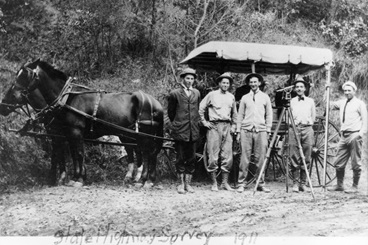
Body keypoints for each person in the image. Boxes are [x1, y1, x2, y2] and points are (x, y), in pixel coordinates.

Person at [199, 73, 238, 191]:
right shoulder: (212, 95)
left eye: (227, 83)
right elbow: (201, 108)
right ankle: (214, 183)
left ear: (229, 85)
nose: (225, 85)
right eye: (223, 82)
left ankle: (224, 183)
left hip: (227, 126)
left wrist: (234, 126)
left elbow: (234, 114)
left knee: (227, 155)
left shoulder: (231, 96)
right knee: (213, 155)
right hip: (214, 127)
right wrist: (205, 122)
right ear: (219, 83)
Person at [327, 81, 367, 193]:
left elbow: (365, 121)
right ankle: (339, 185)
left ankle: (355, 186)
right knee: (338, 161)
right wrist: (327, 90)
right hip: (343, 136)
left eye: (349, 90)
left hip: (355, 135)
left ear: (354, 91)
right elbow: (328, 104)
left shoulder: (360, 104)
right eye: (345, 90)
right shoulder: (342, 102)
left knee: (356, 162)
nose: (347, 92)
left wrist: (360, 134)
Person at [236, 73, 273, 193]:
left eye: (255, 82)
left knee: (260, 158)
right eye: (251, 82)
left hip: (261, 131)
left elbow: (269, 114)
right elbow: (240, 115)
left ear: (259, 83)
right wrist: (238, 130)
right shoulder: (245, 98)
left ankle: (260, 183)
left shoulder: (265, 97)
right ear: (249, 84)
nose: (253, 84)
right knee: (244, 158)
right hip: (246, 130)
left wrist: (268, 129)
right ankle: (241, 183)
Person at [168, 68, 201, 194]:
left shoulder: (196, 93)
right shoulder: (175, 93)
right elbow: (171, 113)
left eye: (192, 79)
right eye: (187, 78)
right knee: (180, 157)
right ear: (183, 79)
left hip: (193, 130)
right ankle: (180, 183)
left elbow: (197, 109)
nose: (189, 81)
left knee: (191, 157)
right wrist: (176, 124)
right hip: (180, 130)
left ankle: (188, 183)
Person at [289, 76, 316, 193]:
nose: (299, 89)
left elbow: (313, 117)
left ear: (305, 88)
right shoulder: (291, 101)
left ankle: (303, 183)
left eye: (301, 87)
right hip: (294, 129)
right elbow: (287, 117)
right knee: (294, 156)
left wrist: (308, 125)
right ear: (294, 89)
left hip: (307, 129)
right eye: (297, 87)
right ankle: (295, 183)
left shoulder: (310, 101)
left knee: (307, 156)